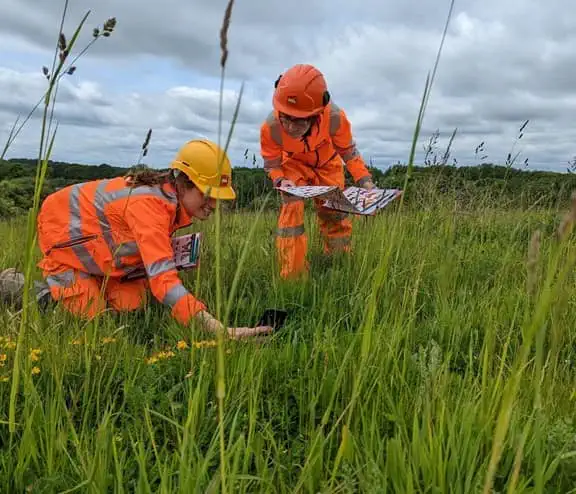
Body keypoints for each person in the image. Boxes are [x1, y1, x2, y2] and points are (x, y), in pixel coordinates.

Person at [0, 139, 272, 339]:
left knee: (134, 309)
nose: (213, 204)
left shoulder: (170, 200)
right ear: (184, 182)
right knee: (94, 322)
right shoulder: (149, 206)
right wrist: (217, 328)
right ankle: (14, 285)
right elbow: (163, 281)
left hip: (104, 257)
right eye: (208, 195)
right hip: (62, 241)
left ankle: (94, 285)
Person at [260, 63, 376, 279]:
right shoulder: (271, 127)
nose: (290, 126)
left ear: (316, 114)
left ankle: (339, 263)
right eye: (285, 116)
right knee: (291, 207)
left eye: (298, 120)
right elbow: (273, 165)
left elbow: (349, 153)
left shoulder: (334, 118)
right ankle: (293, 276)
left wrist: (366, 182)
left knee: (335, 213)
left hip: (328, 165)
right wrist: (280, 181)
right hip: (293, 166)